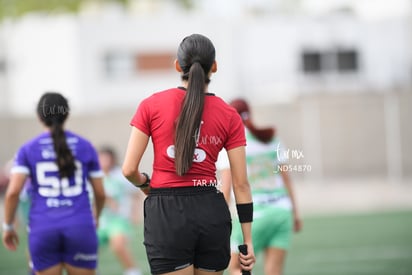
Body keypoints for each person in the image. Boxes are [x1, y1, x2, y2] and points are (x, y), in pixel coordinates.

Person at [122, 33, 255, 275]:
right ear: (214, 67)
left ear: (177, 65)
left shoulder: (150, 105)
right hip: (210, 212)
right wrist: (247, 241)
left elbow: (128, 169)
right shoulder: (229, 115)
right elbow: (241, 185)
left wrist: (145, 184)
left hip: (165, 213)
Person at [2, 92, 106, 275]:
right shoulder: (85, 146)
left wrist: (8, 226)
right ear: (67, 114)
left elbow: (12, 193)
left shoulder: (28, 148)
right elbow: (100, 193)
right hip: (79, 225)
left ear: (39, 116)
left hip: (43, 228)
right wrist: (95, 217)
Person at [216, 98, 302, 275]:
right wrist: (295, 213)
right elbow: (287, 180)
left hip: (254, 215)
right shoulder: (271, 138)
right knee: (274, 271)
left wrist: (217, 222)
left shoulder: (230, 143)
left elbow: (226, 188)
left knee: (236, 268)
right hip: (281, 211)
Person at [97, 146, 142, 275]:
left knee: (118, 245)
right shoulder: (94, 176)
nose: (103, 161)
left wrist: (135, 213)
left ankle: (133, 271)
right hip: (99, 221)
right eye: (100, 158)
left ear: (112, 159)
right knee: (87, 249)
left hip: (118, 220)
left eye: (106, 158)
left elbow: (136, 194)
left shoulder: (120, 176)